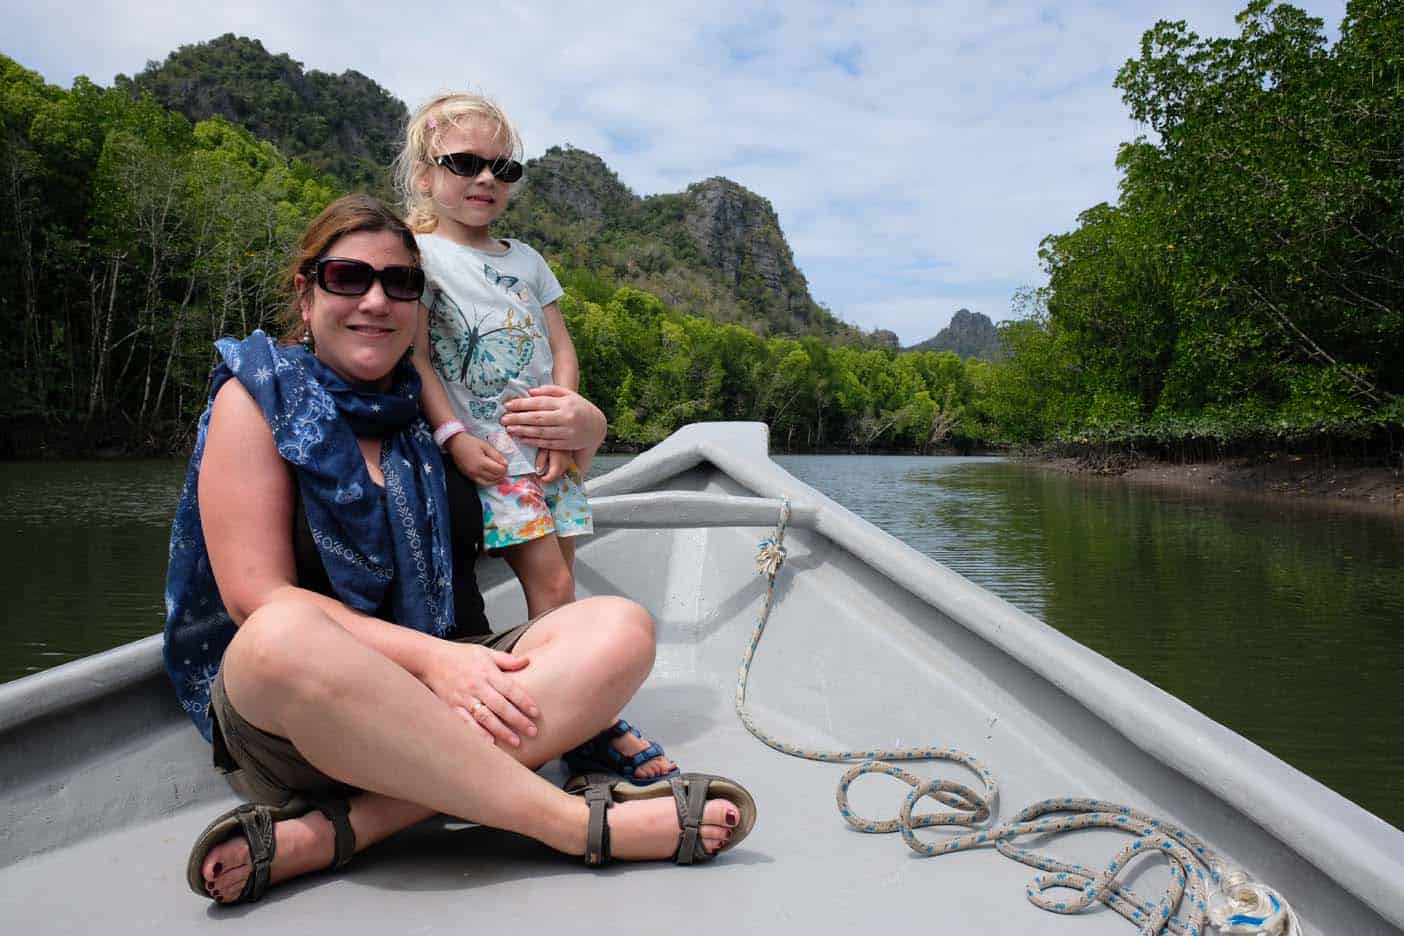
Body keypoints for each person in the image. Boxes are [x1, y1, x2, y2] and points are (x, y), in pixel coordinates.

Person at [163, 194, 756, 905]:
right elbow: (254, 595)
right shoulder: (256, 397)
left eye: (400, 284)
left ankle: (347, 830)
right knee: (279, 634)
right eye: (349, 278)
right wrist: (436, 660)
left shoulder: (439, 414)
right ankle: (574, 825)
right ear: (306, 290)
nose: (376, 301)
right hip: (309, 717)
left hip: (457, 692)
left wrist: (587, 430)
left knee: (619, 627)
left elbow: (541, 483)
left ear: (419, 305)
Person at [394, 92, 676, 782]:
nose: (486, 179)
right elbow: (418, 360)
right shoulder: (420, 256)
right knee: (551, 586)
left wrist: (569, 410)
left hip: (552, 455)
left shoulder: (528, 259)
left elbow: (562, 345)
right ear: (426, 175)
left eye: (503, 167)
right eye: (464, 163)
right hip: (495, 458)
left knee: (562, 587)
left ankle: (573, 716)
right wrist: (455, 436)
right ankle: (581, 727)